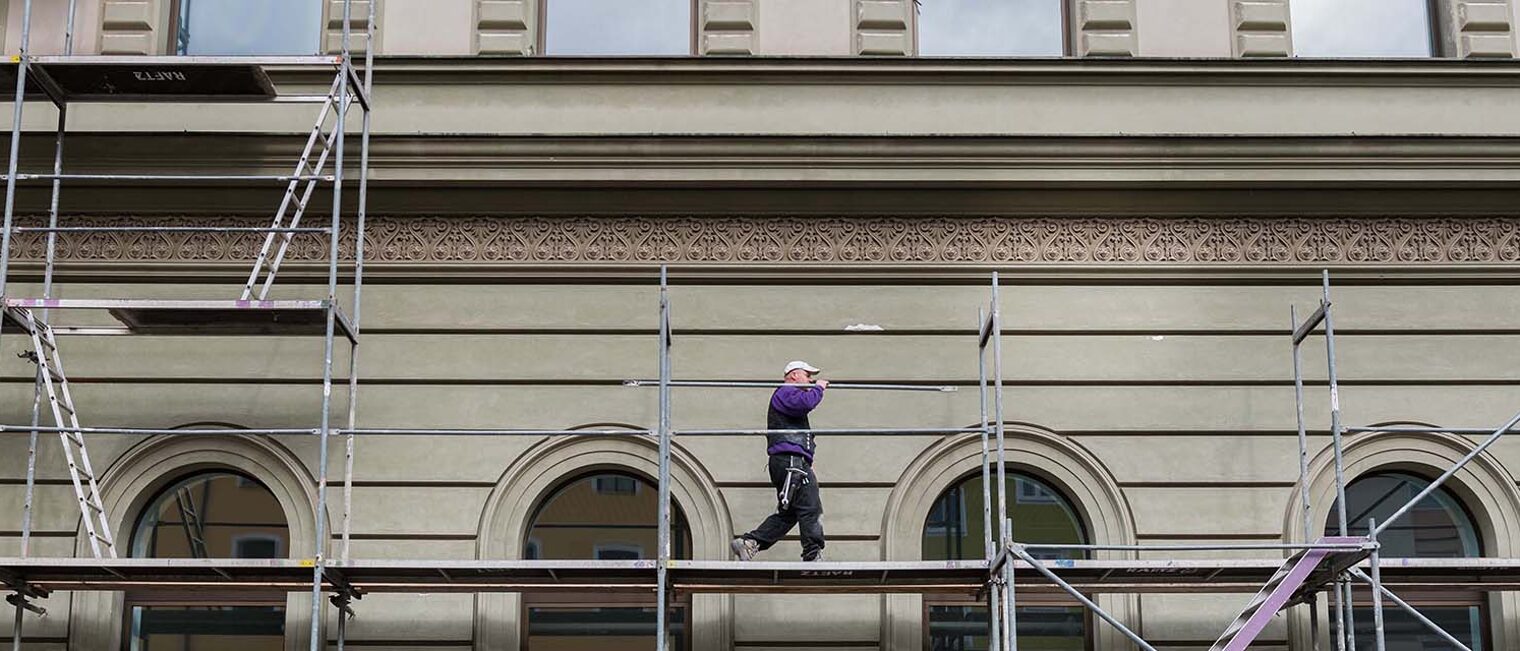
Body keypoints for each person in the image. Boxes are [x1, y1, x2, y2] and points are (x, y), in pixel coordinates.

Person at [731, 360, 829, 562]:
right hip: (791, 462)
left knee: (790, 513)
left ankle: (751, 542)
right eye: (807, 375)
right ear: (794, 375)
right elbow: (805, 404)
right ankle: (812, 553)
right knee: (810, 505)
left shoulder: (786, 395)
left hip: (791, 462)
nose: (810, 380)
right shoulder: (785, 392)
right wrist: (819, 389)